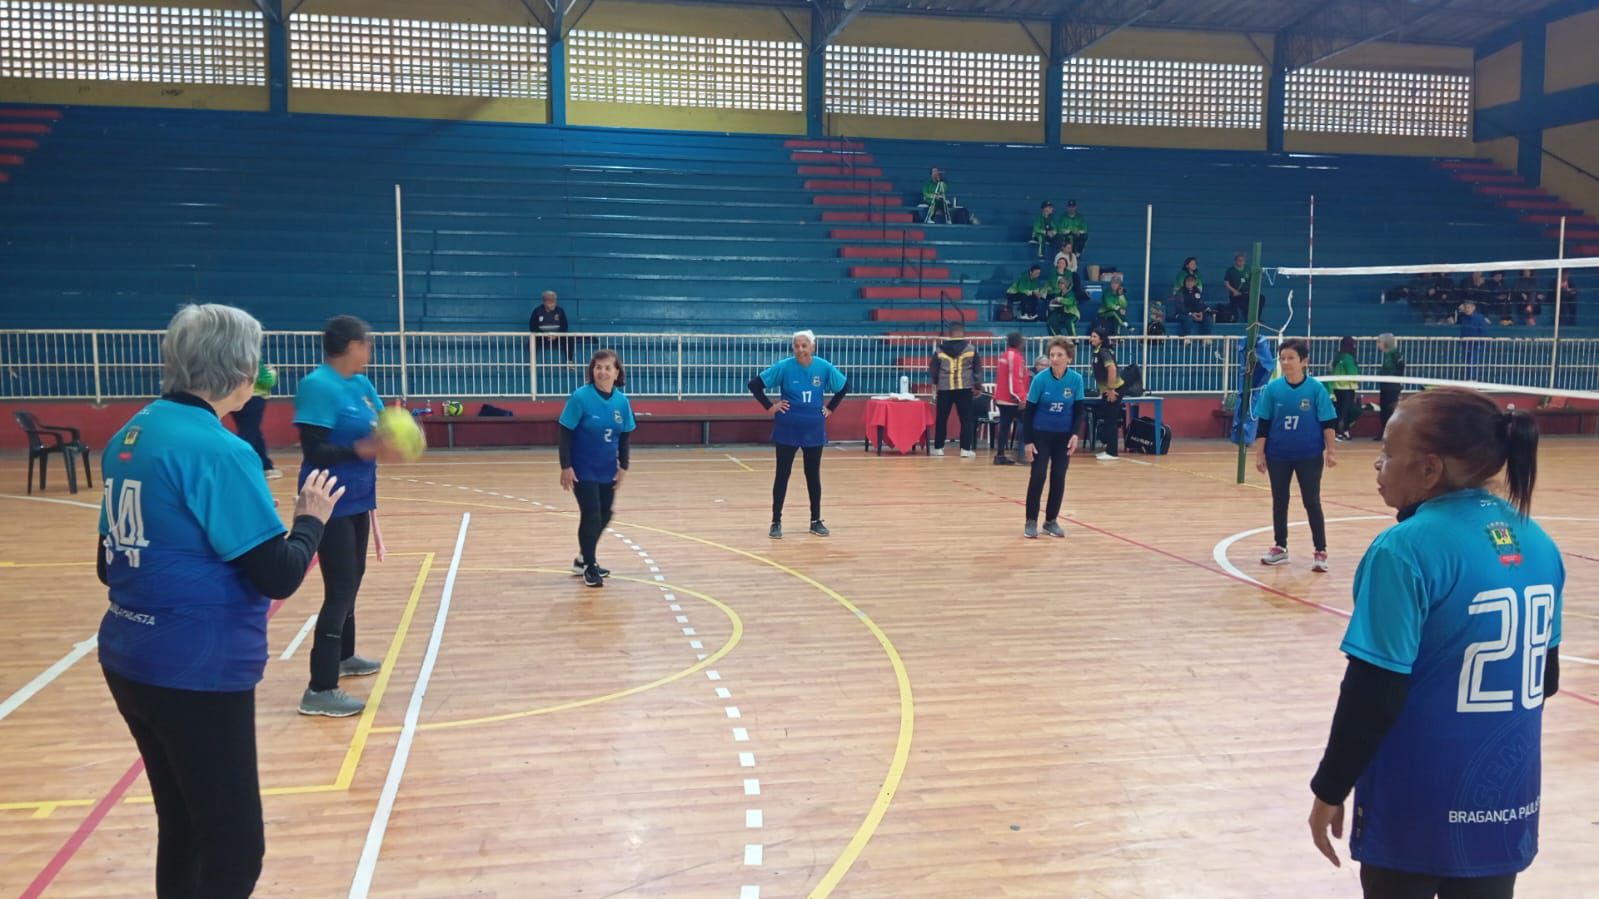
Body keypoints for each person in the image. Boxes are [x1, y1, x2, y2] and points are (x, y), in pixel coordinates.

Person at [96, 304, 344, 898]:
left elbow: (108, 563)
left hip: (129, 657)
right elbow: (277, 575)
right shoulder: (220, 450)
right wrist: (311, 521)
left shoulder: (132, 432)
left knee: (182, 826)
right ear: (238, 366)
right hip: (196, 669)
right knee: (233, 847)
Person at [1307, 388, 1562, 899]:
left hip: (1418, 797)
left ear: (1428, 469)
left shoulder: (1404, 549)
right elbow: (1546, 679)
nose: (1378, 464)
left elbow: (1372, 694)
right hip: (1504, 794)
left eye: (1388, 451)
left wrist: (1329, 790)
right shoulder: (1538, 541)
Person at [294, 315, 393, 718]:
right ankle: (319, 688)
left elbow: (382, 427)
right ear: (351, 346)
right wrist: (362, 451)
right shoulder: (317, 385)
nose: (369, 351)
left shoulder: (361, 383)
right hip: (326, 500)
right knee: (340, 587)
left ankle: (344, 656)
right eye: (366, 344)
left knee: (355, 576)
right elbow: (314, 450)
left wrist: (399, 435)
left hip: (358, 498)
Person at [749, 330, 848, 539]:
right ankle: (776, 522)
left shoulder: (823, 367)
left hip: (813, 427)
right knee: (782, 475)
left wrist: (830, 408)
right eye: (796, 346)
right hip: (788, 427)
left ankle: (816, 520)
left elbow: (844, 385)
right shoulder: (784, 366)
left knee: (813, 475)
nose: (800, 350)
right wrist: (770, 406)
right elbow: (755, 385)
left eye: (804, 345)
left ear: (812, 347)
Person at [1253, 338, 1337, 571]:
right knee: (1280, 500)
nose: (1286, 362)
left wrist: (1331, 451)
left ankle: (1320, 551)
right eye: (1282, 358)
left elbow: (1328, 421)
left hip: (1308, 454)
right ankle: (1280, 547)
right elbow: (1264, 424)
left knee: (1312, 501)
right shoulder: (1273, 389)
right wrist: (1259, 455)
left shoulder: (1315, 389)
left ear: (1304, 361)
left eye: (1291, 358)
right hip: (1278, 454)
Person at [560, 349, 635, 589]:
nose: (602, 371)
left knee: (605, 514)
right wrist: (566, 466)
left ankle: (583, 558)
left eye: (607, 367)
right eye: (598, 367)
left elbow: (624, 436)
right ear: (592, 371)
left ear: (617, 373)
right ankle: (590, 566)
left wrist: (623, 465)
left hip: (607, 468)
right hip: (583, 468)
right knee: (591, 514)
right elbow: (565, 433)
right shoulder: (580, 397)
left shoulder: (622, 402)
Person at [1020, 337, 1084, 539]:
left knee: (1059, 477)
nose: (1054, 359)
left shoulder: (1076, 380)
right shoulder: (1040, 380)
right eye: (1052, 355)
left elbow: (1079, 410)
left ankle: (1051, 521)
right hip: (1041, 435)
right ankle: (1031, 521)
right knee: (1038, 476)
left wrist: (1075, 434)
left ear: (1069, 358)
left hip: (1063, 437)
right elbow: (1028, 412)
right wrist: (1028, 441)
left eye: (1059, 355)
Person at [928, 321, 983, 457]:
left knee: (942, 418)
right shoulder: (971, 349)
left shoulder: (939, 350)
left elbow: (933, 369)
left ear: (949, 334)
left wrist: (936, 382)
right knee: (966, 419)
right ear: (962, 333)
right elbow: (977, 369)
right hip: (964, 388)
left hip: (945, 388)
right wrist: (977, 385)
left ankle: (939, 448)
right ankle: (965, 449)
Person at [229, 361, 281, 479]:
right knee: (248, 434)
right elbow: (266, 381)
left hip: (235, 398)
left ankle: (265, 466)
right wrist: (272, 373)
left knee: (254, 432)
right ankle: (239, 466)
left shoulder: (229, 358)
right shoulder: (253, 358)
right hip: (254, 398)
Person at [992, 331, 1031, 466]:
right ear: (1018, 342)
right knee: (1027, 424)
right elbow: (1014, 380)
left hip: (1002, 398)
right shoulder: (1015, 357)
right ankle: (1023, 454)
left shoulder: (1004, 356)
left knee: (1004, 427)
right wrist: (1021, 398)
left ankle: (1000, 455)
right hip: (1011, 399)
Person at [1088, 327, 1124, 461]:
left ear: (1101, 339)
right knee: (1108, 420)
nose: (1091, 339)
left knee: (1111, 420)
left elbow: (1112, 369)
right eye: (1091, 336)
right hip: (1106, 390)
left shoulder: (1103, 352)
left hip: (1114, 390)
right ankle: (1109, 449)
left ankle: (1112, 452)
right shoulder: (1097, 352)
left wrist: (1110, 389)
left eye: (1094, 337)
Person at [1329, 336, 1362, 442]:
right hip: (1347, 388)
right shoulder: (1348, 357)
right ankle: (1340, 432)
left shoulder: (1339, 356)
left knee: (1339, 410)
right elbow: (1353, 373)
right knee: (1344, 412)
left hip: (1337, 387)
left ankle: (1343, 432)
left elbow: (1331, 368)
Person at [1374, 333, 1404, 441]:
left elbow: (1394, 370)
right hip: (1387, 386)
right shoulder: (1391, 355)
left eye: (1379, 342)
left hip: (1391, 386)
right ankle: (1386, 431)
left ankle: (1391, 433)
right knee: (1385, 409)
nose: (1378, 345)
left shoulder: (1394, 355)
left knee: (1389, 409)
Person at [530, 289, 572, 362]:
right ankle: (532, 363)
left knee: (570, 339)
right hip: (542, 337)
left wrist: (556, 335)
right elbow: (532, 327)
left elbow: (564, 326)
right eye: (550, 303)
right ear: (544, 303)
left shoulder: (560, 310)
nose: (553, 304)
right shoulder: (537, 311)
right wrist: (544, 334)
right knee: (532, 340)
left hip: (557, 337)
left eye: (554, 302)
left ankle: (570, 361)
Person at [1046, 259, 1081, 337]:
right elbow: (1054, 305)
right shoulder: (1058, 294)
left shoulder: (1071, 294)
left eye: (1062, 283)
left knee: (1069, 322)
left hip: (1072, 314)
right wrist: (1052, 305)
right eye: (1059, 283)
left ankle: (1074, 340)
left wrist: (1059, 300)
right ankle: (1059, 338)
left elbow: (1070, 302)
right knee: (1051, 322)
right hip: (1062, 314)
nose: (1060, 285)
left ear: (1066, 285)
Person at [1458, 300, 1490, 381]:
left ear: (1473, 308)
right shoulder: (1463, 318)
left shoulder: (1479, 318)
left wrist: (1480, 343)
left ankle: (1472, 379)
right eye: (1465, 308)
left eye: (1469, 307)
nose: (1467, 309)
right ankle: (1468, 378)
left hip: (1476, 345)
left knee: (1473, 362)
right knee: (1467, 363)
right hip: (1466, 345)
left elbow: (1484, 332)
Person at [1223, 253, 1253, 324]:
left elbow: (1253, 281)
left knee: (1261, 299)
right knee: (1242, 301)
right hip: (1235, 295)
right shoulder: (1230, 270)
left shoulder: (1248, 269)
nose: (1241, 262)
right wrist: (1234, 291)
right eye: (1239, 260)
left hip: (1247, 293)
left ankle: (1255, 318)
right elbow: (1226, 283)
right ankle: (1246, 318)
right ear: (1235, 261)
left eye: (1242, 260)